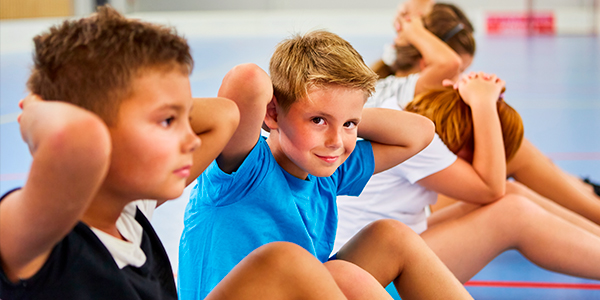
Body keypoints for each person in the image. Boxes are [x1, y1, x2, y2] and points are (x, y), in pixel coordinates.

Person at [0, 7, 391, 300]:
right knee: (291, 262)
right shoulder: (36, 232)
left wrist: (161, 107)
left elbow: (224, 115)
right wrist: (38, 109)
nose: (191, 138)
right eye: (168, 121)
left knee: (298, 264)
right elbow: (78, 140)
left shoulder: (131, 215)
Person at [178, 30, 474, 300]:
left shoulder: (328, 170)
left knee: (390, 236)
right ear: (272, 113)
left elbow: (420, 133)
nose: (335, 141)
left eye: (349, 124)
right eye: (317, 120)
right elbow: (247, 79)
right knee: (338, 274)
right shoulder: (244, 168)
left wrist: (343, 113)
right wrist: (300, 108)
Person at [335, 72, 600, 283]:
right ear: (468, 145)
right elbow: (491, 188)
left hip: (368, 259)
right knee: (512, 214)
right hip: (372, 278)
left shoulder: (408, 115)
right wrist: (483, 103)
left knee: (513, 194)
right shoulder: (423, 140)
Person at [372, 0, 600, 225]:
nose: (459, 78)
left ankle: (586, 191)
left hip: (409, 201)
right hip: (412, 209)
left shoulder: (392, 87)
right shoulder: (406, 92)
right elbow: (448, 62)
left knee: (512, 154)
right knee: (511, 153)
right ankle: (593, 209)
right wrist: (414, 29)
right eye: (460, 71)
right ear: (426, 63)